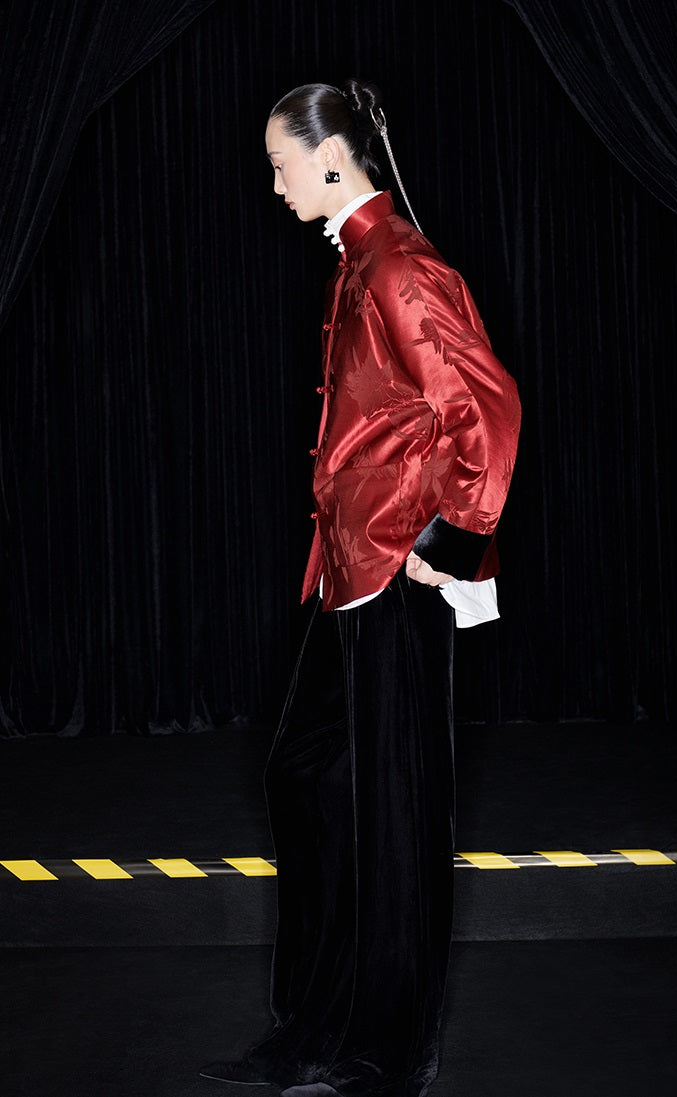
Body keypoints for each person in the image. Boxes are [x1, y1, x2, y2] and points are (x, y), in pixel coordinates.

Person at [201, 79, 521, 1097]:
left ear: (331, 156)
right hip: (344, 570)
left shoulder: (400, 268)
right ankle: (316, 1022)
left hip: (392, 569)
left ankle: (385, 1046)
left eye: (280, 163)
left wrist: (452, 540)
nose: (274, 183)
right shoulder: (358, 261)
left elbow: (486, 408)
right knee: (307, 776)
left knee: (393, 814)